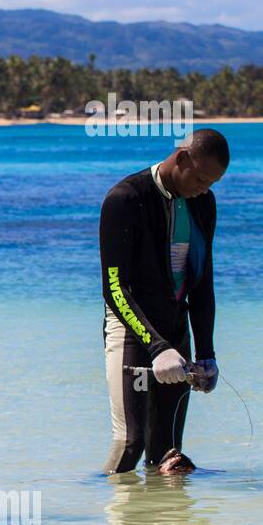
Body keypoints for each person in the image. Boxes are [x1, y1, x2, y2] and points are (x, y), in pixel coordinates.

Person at [100, 129, 229, 476]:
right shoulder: (125, 198)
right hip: (131, 330)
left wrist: (206, 354)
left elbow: (202, 284)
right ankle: (103, 520)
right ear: (182, 159)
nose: (204, 188)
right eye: (200, 178)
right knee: (131, 442)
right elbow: (114, 288)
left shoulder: (204, 202)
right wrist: (156, 348)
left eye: (212, 183)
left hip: (175, 330)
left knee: (168, 455)